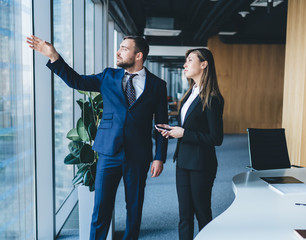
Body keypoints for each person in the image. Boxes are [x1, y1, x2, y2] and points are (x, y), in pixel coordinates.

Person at [26, 35, 168, 240]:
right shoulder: (108, 76)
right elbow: (77, 81)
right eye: (119, 47)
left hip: (138, 154)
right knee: (101, 208)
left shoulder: (157, 85)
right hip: (108, 152)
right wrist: (54, 56)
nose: (118, 52)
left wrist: (159, 157)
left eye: (124, 48)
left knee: (134, 208)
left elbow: (161, 124)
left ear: (139, 55)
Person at [157, 48, 224, 240]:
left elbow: (216, 138)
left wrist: (184, 133)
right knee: (184, 215)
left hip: (201, 164)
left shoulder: (212, 98)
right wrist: (173, 131)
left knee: (202, 213)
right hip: (183, 162)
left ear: (204, 64)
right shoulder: (188, 95)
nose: (185, 65)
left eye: (190, 60)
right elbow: (189, 127)